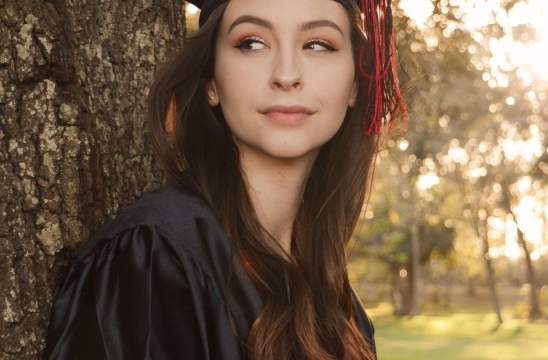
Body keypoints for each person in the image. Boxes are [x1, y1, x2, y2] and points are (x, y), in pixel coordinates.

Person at [43, 0, 405, 358]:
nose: (286, 74)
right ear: (211, 81)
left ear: (357, 83)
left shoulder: (342, 308)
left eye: (318, 45)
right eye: (252, 43)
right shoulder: (155, 259)